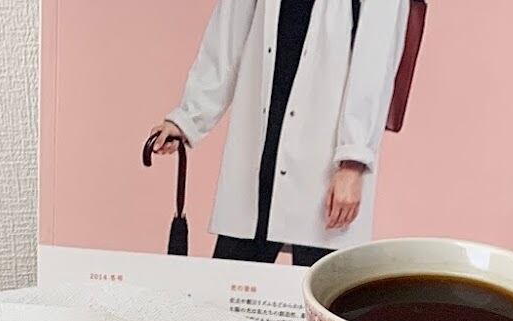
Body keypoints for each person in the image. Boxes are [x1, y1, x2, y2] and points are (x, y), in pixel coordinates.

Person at [149, 0, 409, 264]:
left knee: (322, 280)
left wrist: (353, 161)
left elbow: (376, 59)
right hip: (259, 151)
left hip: (327, 159)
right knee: (232, 278)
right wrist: (188, 117)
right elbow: (227, 32)